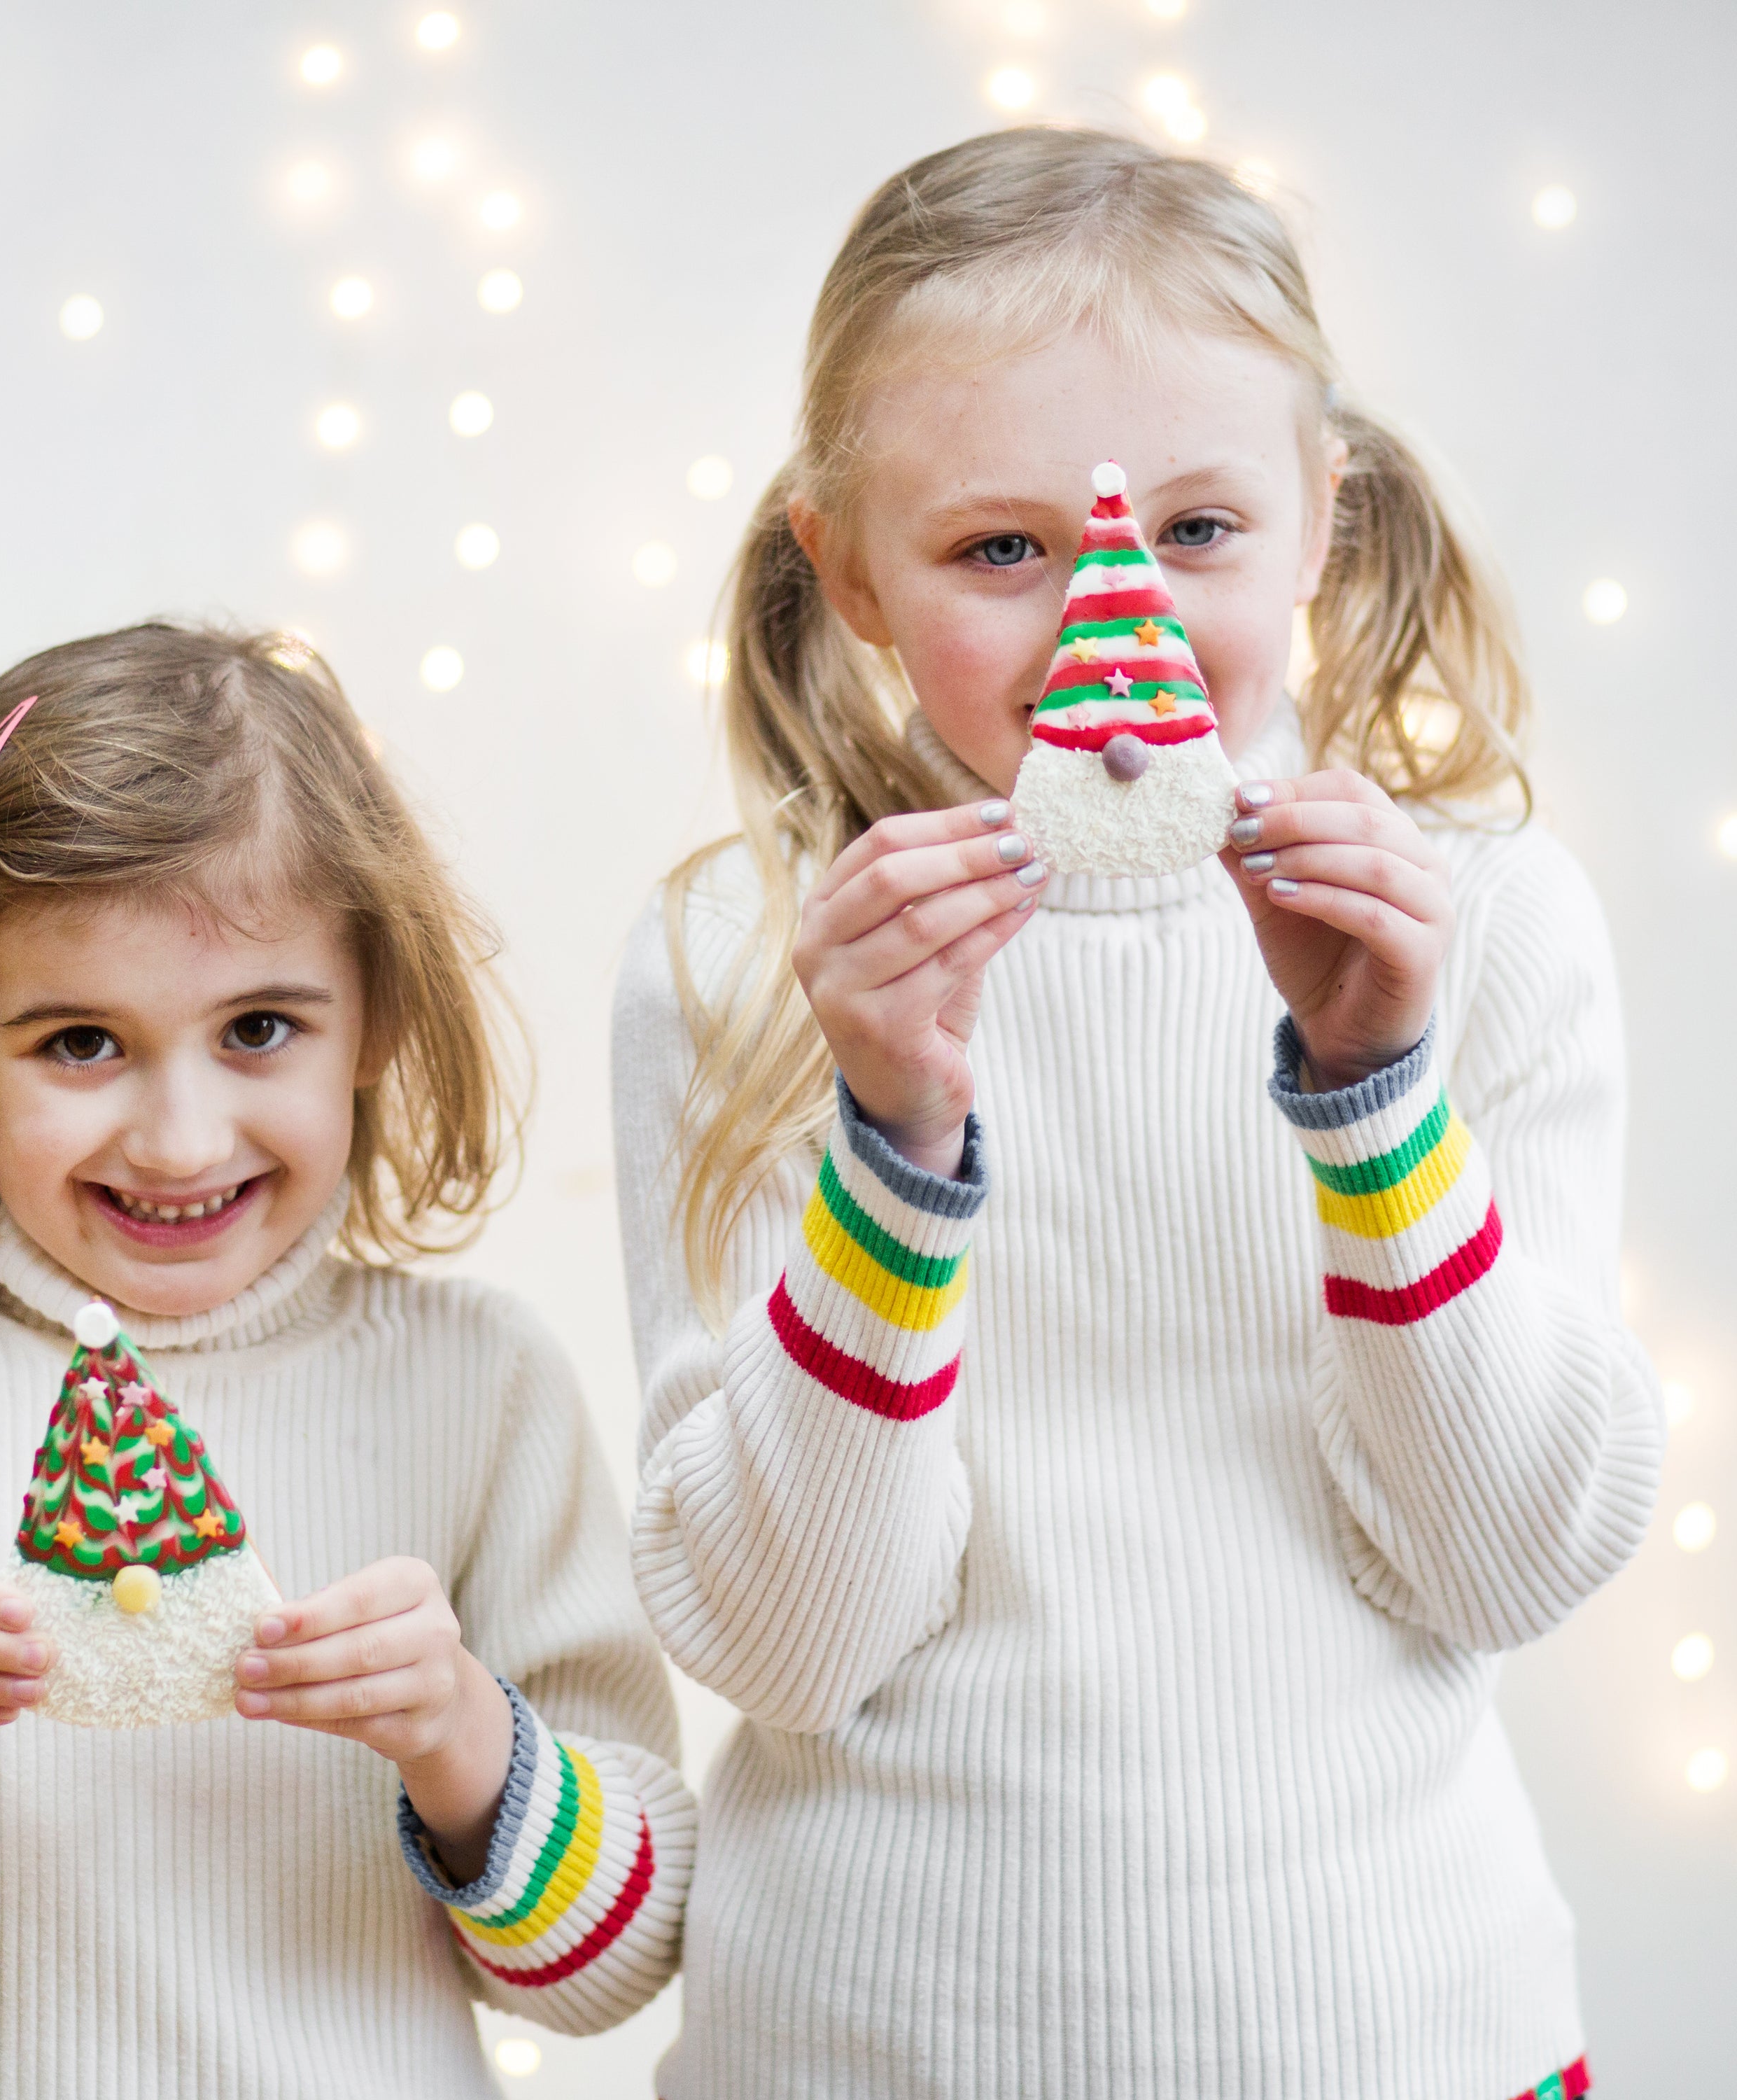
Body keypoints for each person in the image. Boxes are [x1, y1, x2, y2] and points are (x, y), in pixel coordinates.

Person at [612, 127, 1657, 2099]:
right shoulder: (747, 967)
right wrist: (894, 1148)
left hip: (1400, 2033)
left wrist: (1377, 1105)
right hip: (861, 2048)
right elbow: (791, 1641)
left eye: (1198, 530)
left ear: (1321, 518)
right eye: (1001, 552)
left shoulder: (1489, 923)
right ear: (847, 569)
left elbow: (1507, 1561)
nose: (1122, 617)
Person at [0, 624, 694, 2096]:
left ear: (376, 1018)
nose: (182, 1141)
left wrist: (464, 1736)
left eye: (258, 1027)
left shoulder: (481, 1382)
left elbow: (620, 1972)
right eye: (80, 1042)